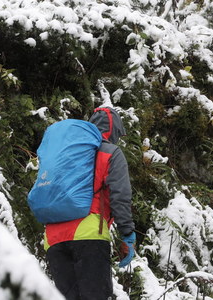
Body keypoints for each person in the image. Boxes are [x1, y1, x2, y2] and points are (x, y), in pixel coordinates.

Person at [44, 107, 135, 300]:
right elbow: (120, 195)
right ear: (114, 131)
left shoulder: (66, 153)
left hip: (53, 238)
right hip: (88, 235)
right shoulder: (109, 152)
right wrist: (127, 234)